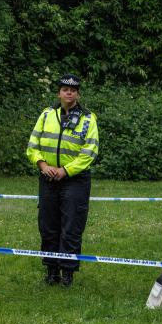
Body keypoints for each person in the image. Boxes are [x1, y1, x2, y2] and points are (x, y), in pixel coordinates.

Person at [26, 73, 99, 287]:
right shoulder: (47, 115)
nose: (69, 92)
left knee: (71, 226)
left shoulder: (88, 118)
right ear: (59, 92)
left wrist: (66, 170)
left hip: (75, 179)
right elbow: (32, 146)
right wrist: (43, 165)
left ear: (77, 93)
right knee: (48, 225)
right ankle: (51, 270)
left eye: (73, 89)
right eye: (65, 89)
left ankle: (67, 272)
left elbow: (90, 152)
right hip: (48, 177)